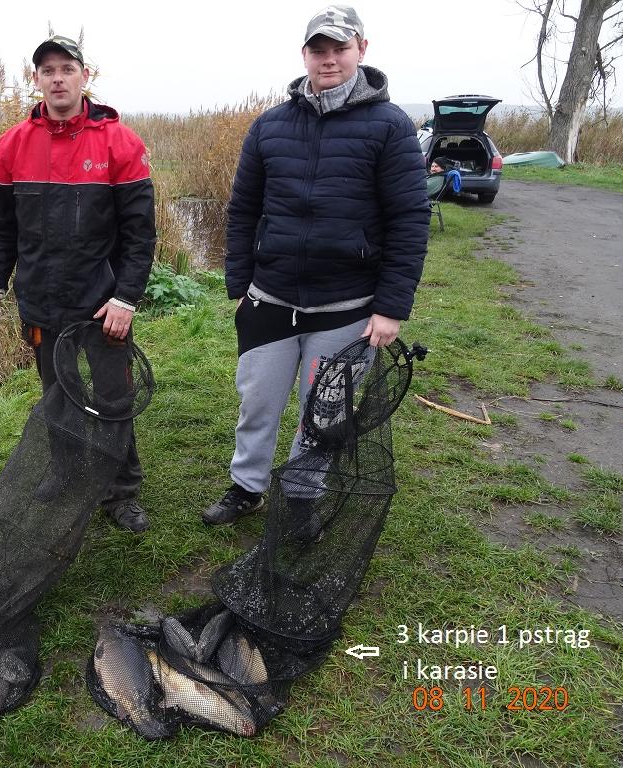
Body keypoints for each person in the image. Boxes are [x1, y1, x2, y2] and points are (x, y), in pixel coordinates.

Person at [202, 5, 429, 524]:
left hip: (347, 304)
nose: (329, 59)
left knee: (324, 409)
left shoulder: (391, 127)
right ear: (304, 55)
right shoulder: (270, 126)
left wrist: (391, 307)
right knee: (257, 403)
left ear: (361, 50)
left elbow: (409, 220)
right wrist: (240, 284)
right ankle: (247, 486)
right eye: (318, 50)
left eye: (339, 48)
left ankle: (303, 495)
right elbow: (242, 210)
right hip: (270, 297)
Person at [0, 35, 156, 532]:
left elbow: (140, 235)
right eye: (48, 70)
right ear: (36, 79)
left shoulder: (120, 142)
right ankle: (66, 470)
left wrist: (125, 298)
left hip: (102, 303)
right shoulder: (13, 144)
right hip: (40, 299)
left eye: (67, 69)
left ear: (84, 76)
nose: (58, 78)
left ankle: (121, 491)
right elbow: (1, 229)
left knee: (113, 394)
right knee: (58, 391)